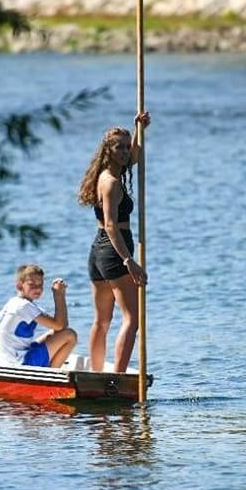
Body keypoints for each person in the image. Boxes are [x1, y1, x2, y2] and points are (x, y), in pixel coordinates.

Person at [77, 111, 150, 373]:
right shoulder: (112, 184)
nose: (124, 152)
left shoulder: (106, 175)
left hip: (98, 251)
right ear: (107, 150)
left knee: (103, 320)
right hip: (114, 249)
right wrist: (129, 261)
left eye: (125, 146)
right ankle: (117, 378)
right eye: (118, 147)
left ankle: (97, 374)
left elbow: (135, 157)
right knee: (132, 319)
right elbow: (110, 224)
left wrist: (139, 128)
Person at [0, 263, 77, 368]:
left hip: (14, 358)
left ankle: (50, 368)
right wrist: (59, 295)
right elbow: (61, 325)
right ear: (19, 286)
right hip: (19, 362)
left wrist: (59, 295)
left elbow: (60, 326)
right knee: (70, 335)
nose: (37, 289)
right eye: (32, 285)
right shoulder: (23, 306)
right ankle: (52, 374)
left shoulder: (17, 303)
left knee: (56, 332)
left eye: (40, 285)